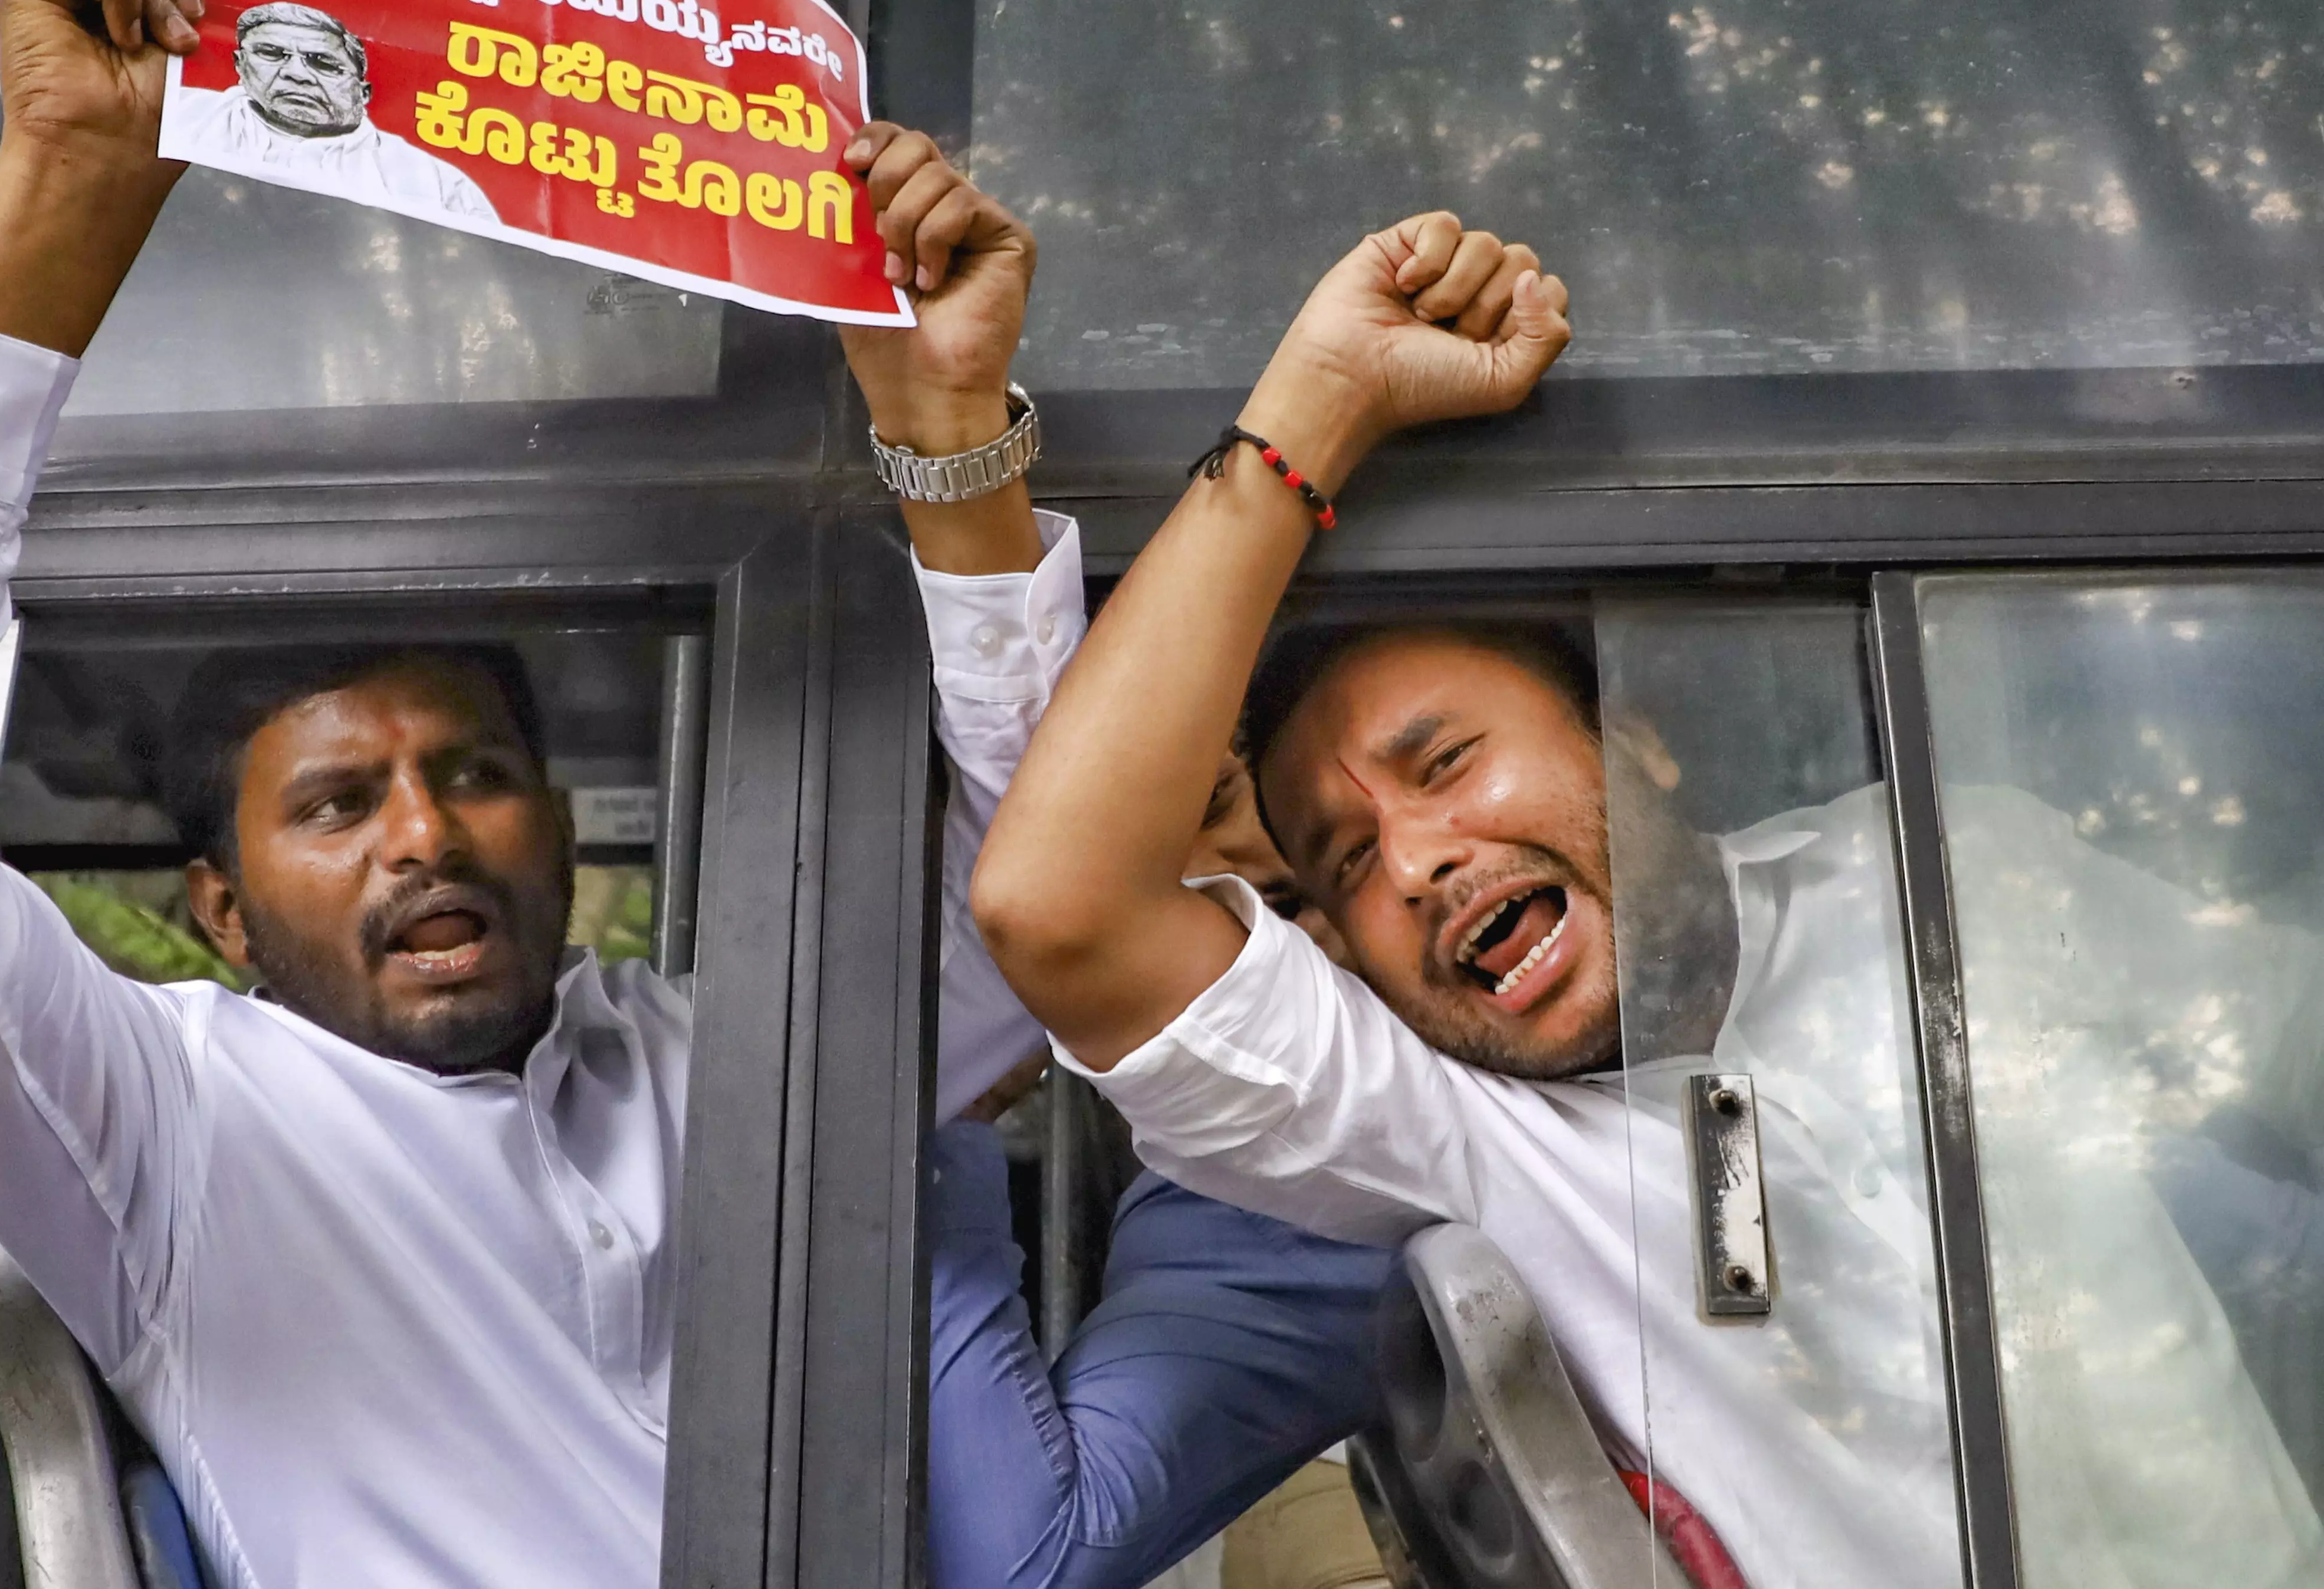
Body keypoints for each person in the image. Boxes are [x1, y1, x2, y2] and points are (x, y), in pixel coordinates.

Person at [0, 0, 1067, 1587]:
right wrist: (60, 199)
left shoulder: (723, 1068)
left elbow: (1049, 920)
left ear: (562, 831)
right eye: (338, 804)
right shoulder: (164, 1121)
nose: (425, 832)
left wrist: (948, 446)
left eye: (475, 772)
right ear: (220, 910)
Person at [970, 212, 2324, 1587]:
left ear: (1638, 739)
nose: (1416, 858)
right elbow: (1055, 900)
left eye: (1441, 762)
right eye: (1343, 861)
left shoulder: (1950, 868)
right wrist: (1319, 401)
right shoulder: (1483, 1151)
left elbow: (2287, 1034)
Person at [927, 752, 1394, 1589]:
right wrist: (957, 1098)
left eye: (1213, 795)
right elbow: (1025, 1563)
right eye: (1131, 857)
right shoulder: (1252, 1192)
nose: (1219, 868)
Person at [163, 0, 500, 221]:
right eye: (272, 53)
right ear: (240, 64)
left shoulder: (439, 186)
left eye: (322, 63)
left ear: (363, 93)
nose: (296, 74)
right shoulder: (174, 115)